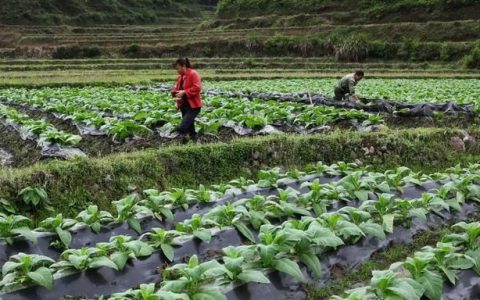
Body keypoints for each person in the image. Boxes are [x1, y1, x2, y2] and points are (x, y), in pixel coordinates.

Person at [171, 58, 202, 140]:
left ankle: (182, 144)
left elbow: (197, 87)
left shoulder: (193, 74)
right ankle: (194, 143)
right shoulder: (180, 77)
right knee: (191, 129)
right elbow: (177, 89)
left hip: (193, 106)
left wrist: (184, 92)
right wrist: (176, 99)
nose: (177, 70)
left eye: (178, 68)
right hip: (184, 106)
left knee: (183, 127)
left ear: (184, 66)